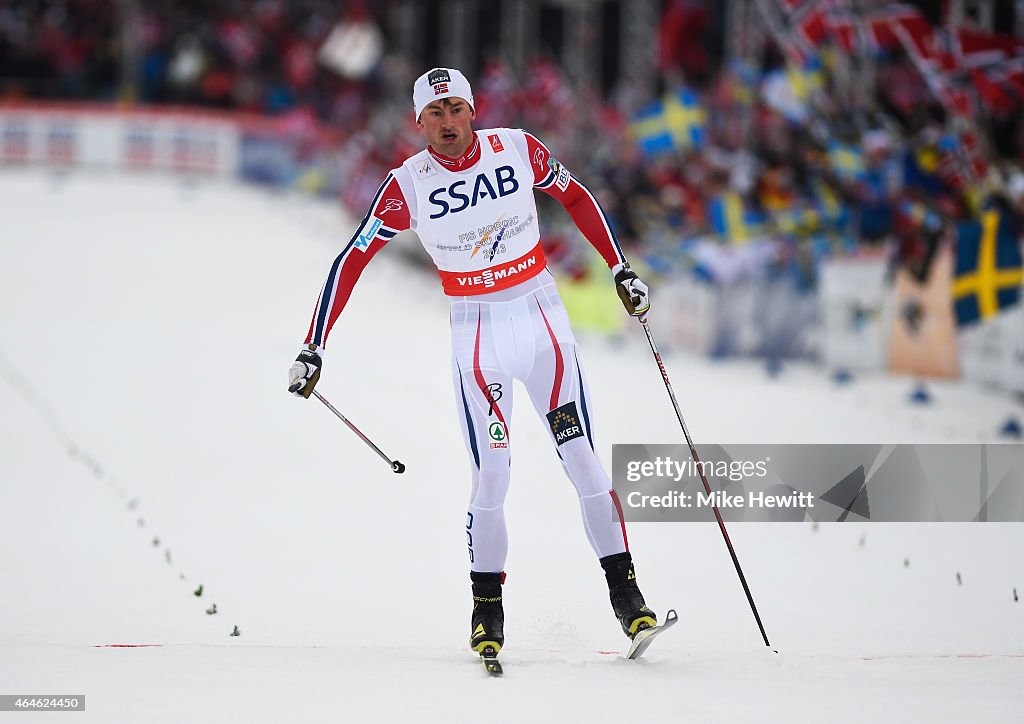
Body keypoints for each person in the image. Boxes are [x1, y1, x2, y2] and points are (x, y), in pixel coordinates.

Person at [288, 67, 657, 657]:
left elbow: (577, 196)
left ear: (472, 109)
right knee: (493, 475)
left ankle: (629, 601)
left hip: (541, 320)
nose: (448, 122)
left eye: (456, 109)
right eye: (435, 114)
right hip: (477, 332)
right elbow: (350, 260)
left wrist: (620, 268)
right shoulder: (405, 185)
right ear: (419, 122)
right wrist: (314, 345)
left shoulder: (516, 147)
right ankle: (487, 612)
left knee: (584, 462)